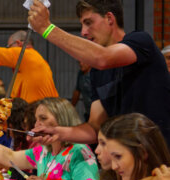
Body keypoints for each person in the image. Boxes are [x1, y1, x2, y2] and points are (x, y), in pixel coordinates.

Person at [28, 0, 170, 147]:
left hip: (159, 157)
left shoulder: (140, 41)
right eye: (82, 25)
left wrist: (47, 28)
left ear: (109, 18)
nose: (83, 32)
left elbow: (103, 58)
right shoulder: (97, 72)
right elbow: (95, 128)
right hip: (126, 160)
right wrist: (58, 132)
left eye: (88, 22)